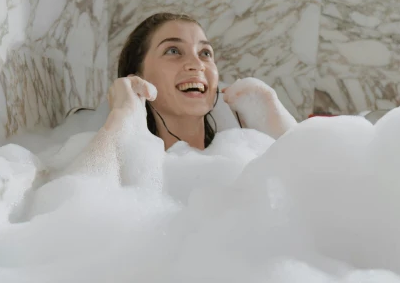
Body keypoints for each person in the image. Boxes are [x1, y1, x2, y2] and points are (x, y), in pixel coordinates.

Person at [68, 13, 298, 182]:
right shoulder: (128, 175)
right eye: (173, 51)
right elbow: (72, 208)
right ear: (138, 78)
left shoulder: (249, 163)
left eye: (205, 53)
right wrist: (122, 114)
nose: (197, 64)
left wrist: (279, 124)